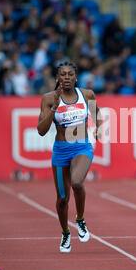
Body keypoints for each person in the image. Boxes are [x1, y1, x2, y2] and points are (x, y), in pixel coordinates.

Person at [37, 61, 102, 253]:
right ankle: (65, 233)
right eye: (62, 75)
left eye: (70, 75)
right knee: (62, 199)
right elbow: (41, 130)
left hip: (81, 146)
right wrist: (54, 108)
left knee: (77, 182)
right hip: (61, 150)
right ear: (57, 78)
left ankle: (80, 220)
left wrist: (98, 127)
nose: (66, 78)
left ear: (75, 77)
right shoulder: (49, 98)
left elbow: (96, 113)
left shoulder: (87, 94)